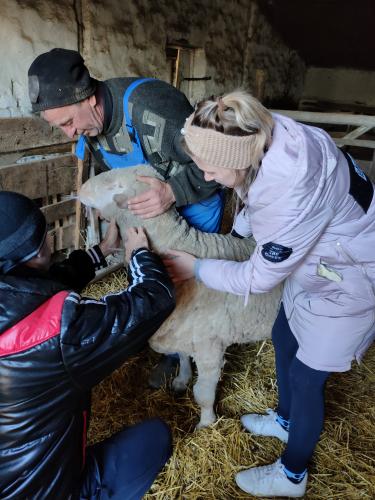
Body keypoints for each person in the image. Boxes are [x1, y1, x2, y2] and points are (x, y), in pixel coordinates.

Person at [163, 90, 375, 497]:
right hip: (321, 257)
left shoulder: (289, 188)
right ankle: (285, 419)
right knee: (284, 334)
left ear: (235, 161)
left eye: (209, 169)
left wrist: (200, 267)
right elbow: (254, 199)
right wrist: (238, 233)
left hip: (350, 276)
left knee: (306, 377)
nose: (205, 177)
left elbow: (257, 278)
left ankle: (291, 474)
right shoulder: (259, 133)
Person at [27, 47, 224, 387]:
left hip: (193, 206)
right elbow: (110, 177)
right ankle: (171, 345)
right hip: (149, 214)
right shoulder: (90, 130)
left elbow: (218, 167)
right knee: (156, 277)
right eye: (60, 126)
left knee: (193, 284)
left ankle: (198, 350)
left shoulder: (155, 107)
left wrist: (173, 192)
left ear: (88, 98)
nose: (69, 133)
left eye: (68, 122)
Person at [0, 191, 175, 498]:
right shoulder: (58, 333)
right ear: (39, 251)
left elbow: (44, 285)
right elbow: (154, 299)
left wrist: (104, 250)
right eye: (46, 236)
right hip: (46, 493)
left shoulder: (12, 290)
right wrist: (140, 256)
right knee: (154, 438)